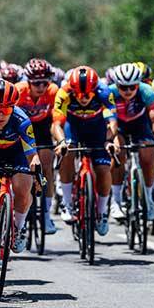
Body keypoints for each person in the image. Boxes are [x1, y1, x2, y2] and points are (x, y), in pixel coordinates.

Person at [0, 80, 40, 253]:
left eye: (6, 110)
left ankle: (18, 229)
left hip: (16, 153)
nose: (1, 115)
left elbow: (32, 154)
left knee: (24, 186)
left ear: (14, 108)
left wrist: (37, 173)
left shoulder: (22, 119)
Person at [52, 66, 118, 236]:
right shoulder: (64, 92)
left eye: (87, 94)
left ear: (95, 89)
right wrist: (60, 142)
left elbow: (112, 122)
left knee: (103, 169)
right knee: (67, 153)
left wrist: (109, 140)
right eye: (79, 94)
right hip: (72, 127)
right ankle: (67, 204)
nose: (83, 98)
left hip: (97, 129)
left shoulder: (104, 92)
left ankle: (102, 213)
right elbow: (57, 124)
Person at [107, 63, 154, 221]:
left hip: (140, 125)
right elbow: (110, 121)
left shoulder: (147, 91)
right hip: (118, 126)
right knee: (118, 155)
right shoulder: (109, 92)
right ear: (116, 84)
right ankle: (116, 201)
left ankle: (148, 199)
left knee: (148, 158)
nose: (127, 91)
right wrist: (110, 140)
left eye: (132, 87)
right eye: (123, 87)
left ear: (138, 84)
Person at [15, 58, 59, 234]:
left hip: (42, 127)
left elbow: (57, 117)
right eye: (36, 83)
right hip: (21, 128)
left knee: (47, 164)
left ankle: (46, 215)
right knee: (22, 166)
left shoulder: (53, 91)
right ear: (28, 82)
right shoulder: (19, 90)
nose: (41, 87)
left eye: (45, 82)